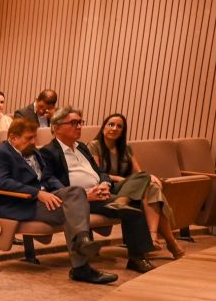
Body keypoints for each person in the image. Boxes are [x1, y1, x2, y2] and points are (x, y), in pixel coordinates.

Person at [0, 116, 116, 285]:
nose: (33, 141)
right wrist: (37, 194)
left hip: (46, 200)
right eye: (28, 138)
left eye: (34, 137)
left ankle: (82, 243)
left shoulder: (32, 151)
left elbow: (47, 177)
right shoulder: (0, 153)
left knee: (75, 193)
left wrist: (63, 191)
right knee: (73, 211)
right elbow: (1, 182)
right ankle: (81, 267)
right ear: (13, 138)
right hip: (23, 203)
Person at [38, 108, 156, 274]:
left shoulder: (82, 148)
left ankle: (121, 201)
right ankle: (137, 257)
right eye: (73, 123)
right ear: (56, 127)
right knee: (134, 206)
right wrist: (84, 194)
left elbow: (100, 172)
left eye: (80, 122)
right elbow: (50, 182)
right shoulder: (47, 152)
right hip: (79, 199)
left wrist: (105, 185)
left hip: (101, 192)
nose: (79, 126)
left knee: (142, 177)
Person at [91, 112, 184, 259]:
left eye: (119, 126)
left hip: (128, 187)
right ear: (103, 128)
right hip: (109, 186)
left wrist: (149, 177)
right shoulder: (94, 146)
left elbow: (138, 172)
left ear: (123, 131)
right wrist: (124, 180)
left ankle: (153, 234)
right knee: (147, 183)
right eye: (111, 124)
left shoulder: (126, 148)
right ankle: (171, 243)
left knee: (151, 186)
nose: (114, 128)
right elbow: (97, 173)